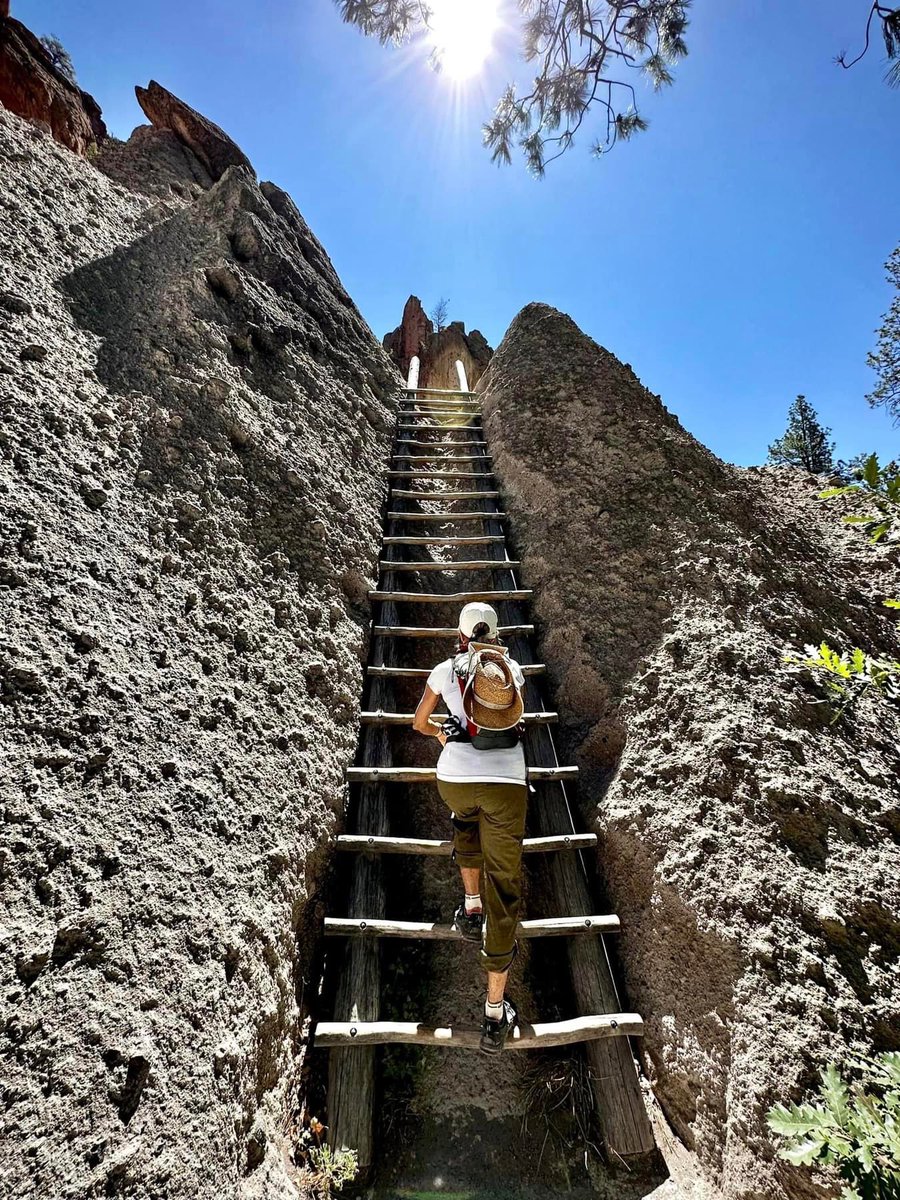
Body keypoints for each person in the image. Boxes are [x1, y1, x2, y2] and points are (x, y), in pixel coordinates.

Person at [412, 602, 527, 1053]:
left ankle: (470, 906)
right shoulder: (511, 670)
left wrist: (445, 735)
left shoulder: (445, 668)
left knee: (464, 817)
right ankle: (494, 1014)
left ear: (459, 634)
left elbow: (419, 722)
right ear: (495, 634)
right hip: (506, 785)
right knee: (507, 883)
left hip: (455, 780)